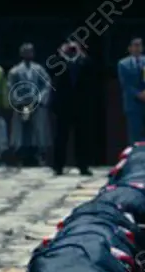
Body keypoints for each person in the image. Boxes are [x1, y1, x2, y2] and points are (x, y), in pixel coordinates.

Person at [51, 40, 93, 176]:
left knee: (83, 137)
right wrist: (61, 54)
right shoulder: (59, 62)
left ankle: (83, 165)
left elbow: (92, 72)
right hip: (63, 106)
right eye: (69, 48)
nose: (72, 50)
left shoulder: (84, 62)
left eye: (74, 48)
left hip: (81, 106)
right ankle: (58, 166)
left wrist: (80, 53)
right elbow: (51, 70)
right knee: (60, 137)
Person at [7, 43, 50, 167]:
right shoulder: (15, 71)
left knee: (37, 130)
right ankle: (22, 156)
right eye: (25, 52)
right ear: (21, 54)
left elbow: (46, 84)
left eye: (30, 52)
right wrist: (18, 101)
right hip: (22, 104)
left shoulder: (39, 69)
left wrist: (39, 99)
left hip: (36, 104)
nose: (28, 54)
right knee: (21, 130)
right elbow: (10, 87)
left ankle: (37, 155)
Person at [117, 38, 145, 144]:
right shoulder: (123, 64)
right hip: (133, 104)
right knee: (135, 134)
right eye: (135, 46)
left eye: (139, 46)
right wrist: (138, 94)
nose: (137, 48)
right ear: (130, 48)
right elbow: (125, 84)